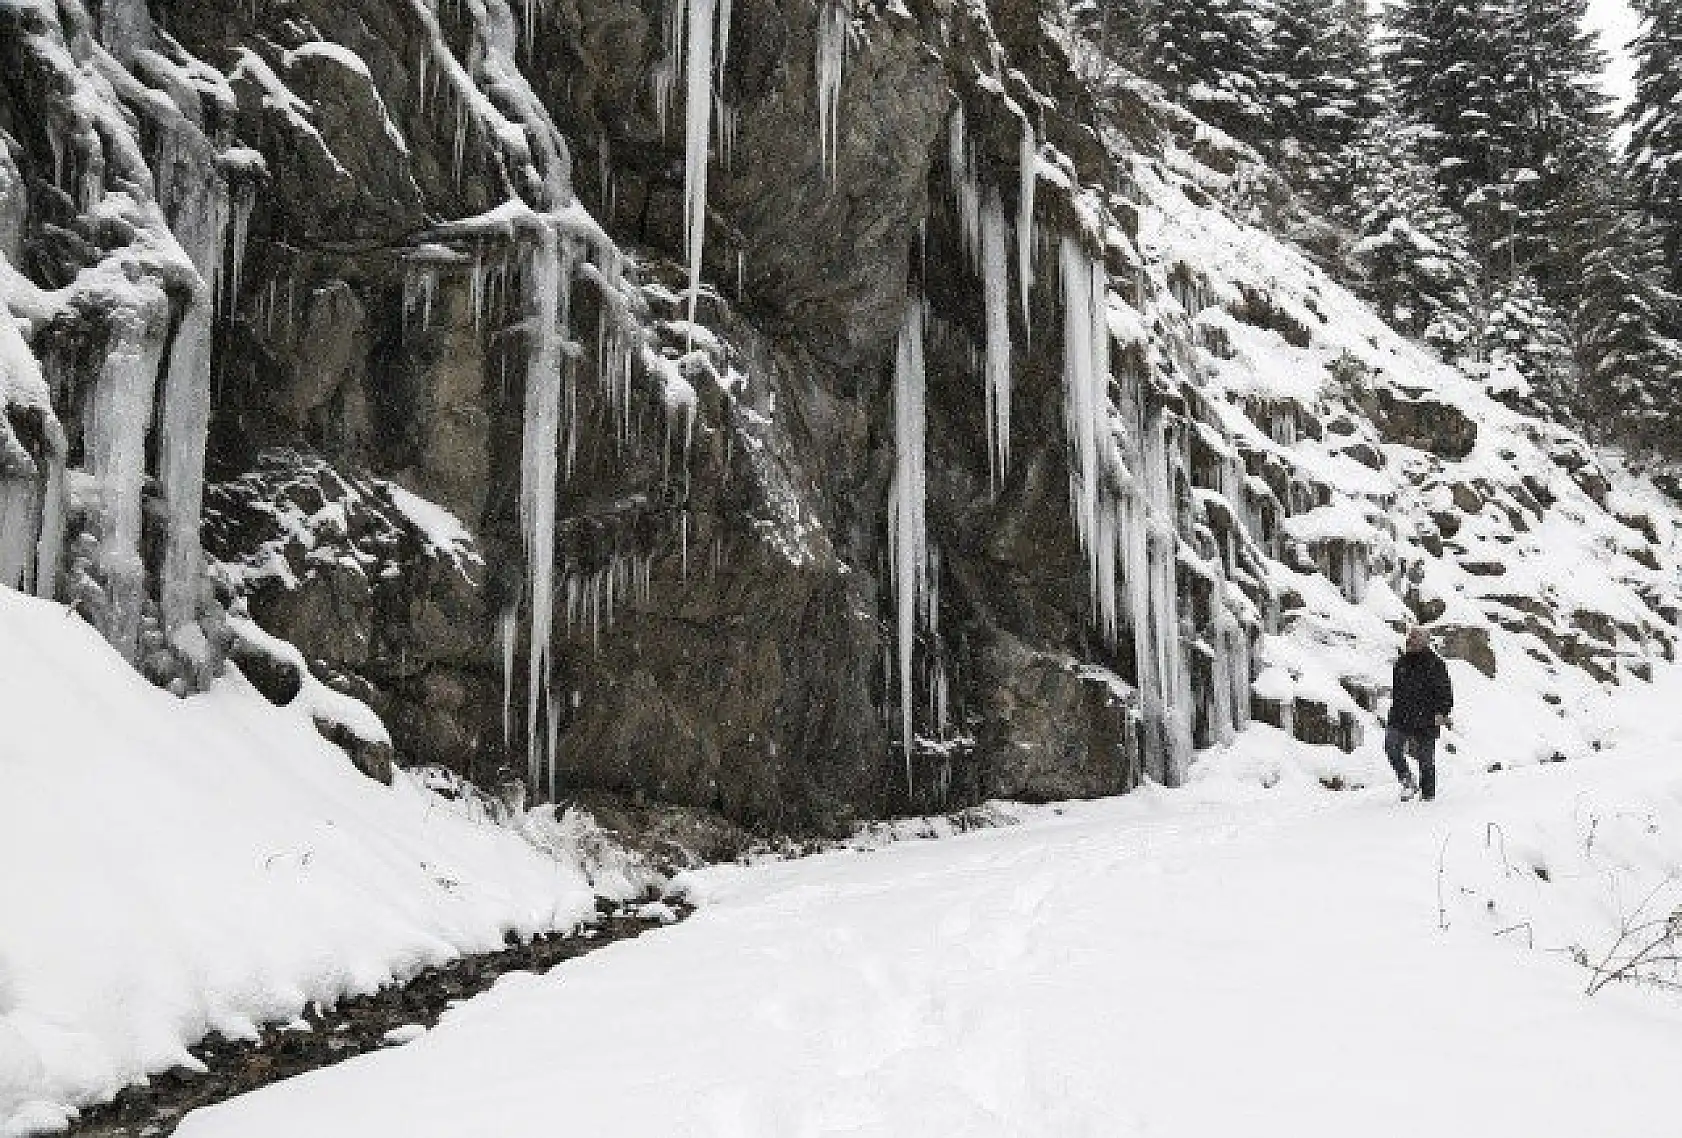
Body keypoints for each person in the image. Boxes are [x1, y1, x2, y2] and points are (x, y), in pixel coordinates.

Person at [1385, 627, 1453, 801]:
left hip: (1427, 718)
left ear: (1425, 641)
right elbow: (1397, 691)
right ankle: (1407, 781)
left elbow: (1445, 693)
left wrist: (1442, 712)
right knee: (1391, 747)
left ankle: (1428, 797)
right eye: (1410, 636)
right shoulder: (1401, 663)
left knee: (1426, 761)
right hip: (1400, 716)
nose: (1410, 639)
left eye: (1414, 637)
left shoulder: (1436, 664)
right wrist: (1394, 711)